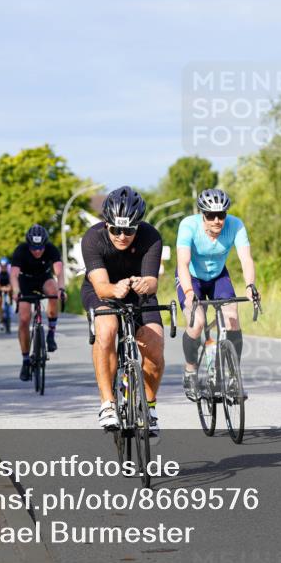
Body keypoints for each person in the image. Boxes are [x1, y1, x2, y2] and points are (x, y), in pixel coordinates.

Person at [82, 186, 165, 434]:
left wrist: (143, 284)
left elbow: (152, 282)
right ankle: (108, 404)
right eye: (116, 230)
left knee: (155, 346)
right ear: (106, 224)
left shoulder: (151, 236)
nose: (121, 236)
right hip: (104, 290)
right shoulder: (93, 238)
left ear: (138, 226)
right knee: (107, 329)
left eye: (128, 230)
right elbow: (100, 287)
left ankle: (148, 407)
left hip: (139, 293)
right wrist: (114, 289)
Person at [176, 188, 259, 401]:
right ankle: (190, 371)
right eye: (210, 215)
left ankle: (233, 378)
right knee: (197, 323)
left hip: (217, 276)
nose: (216, 220)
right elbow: (183, 263)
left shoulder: (235, 225)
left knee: (231, 318)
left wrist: (250, 285)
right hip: (191, 277)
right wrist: (188, 292)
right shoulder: (188, 225)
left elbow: (246, 259)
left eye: (221, 215)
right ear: (201, 214)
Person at [10, 224, 65, 381]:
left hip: (43, 278)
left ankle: (51, 333)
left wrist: (62, 289)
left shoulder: (51, 249)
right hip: (25, 281)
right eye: (34, 248)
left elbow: (59, 271)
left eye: (40, 247)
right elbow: (13, 274)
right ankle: (26, 360)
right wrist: (16, 291)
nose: (38, 251)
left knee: (54, 292)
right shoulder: (20, 250)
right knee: (24, 319)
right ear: (28, 245)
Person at [0, 256, 13, 332]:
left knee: (11, 292)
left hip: (7, 282)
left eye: (5, 266)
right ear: (0, 265)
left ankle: (10, 303)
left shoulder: (10, 267)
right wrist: (1, 288)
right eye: (2, 266)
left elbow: (12, 280)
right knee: (0, 301)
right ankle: (1, 320)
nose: (3, 267)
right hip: (0, 283)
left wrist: (10, 288)